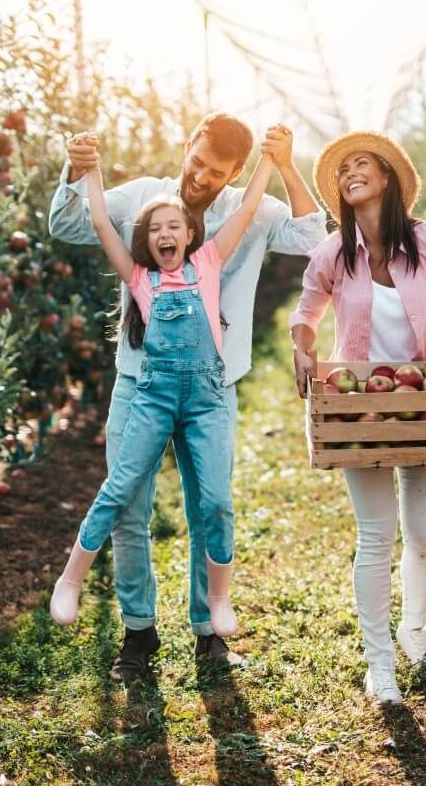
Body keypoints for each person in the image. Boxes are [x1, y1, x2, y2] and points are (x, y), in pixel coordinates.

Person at [48, 114, 326, 677]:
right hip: (140, 380)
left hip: (212, 387)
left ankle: (207, 631)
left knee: (211, 505)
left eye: (215, 172)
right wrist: (76, 172)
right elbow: (71, 223)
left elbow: (314, 239)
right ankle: (139, 632)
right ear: (188, 146)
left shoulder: (251, 211)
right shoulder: (145, 200)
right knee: (128, 505)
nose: (199, 176)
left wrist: (287, 165)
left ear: (236, 173)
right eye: (196, 162)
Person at [288, 132, 426, 704]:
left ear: (387, 178)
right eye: (343, 168)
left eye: (362, 163)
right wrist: (302, 348)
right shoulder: (333, 252)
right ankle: (380, 665)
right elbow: (305, 314)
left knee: (424, 536)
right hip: (361, 408)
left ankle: (415, 631)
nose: (351, 172)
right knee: (376, 536)